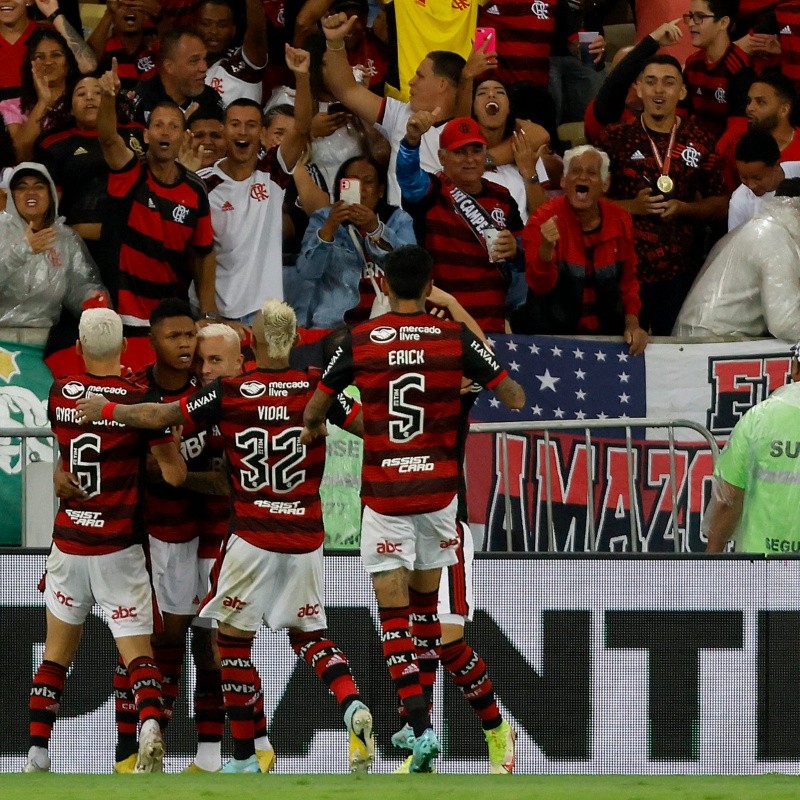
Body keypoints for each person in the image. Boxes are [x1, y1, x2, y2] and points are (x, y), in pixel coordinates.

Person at [77, 298, 376, 775]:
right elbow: (374, 429)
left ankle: (240, 759)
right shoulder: (317, 390)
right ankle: (352, 705)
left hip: (251, 535)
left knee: (230, 645)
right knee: (311, 635)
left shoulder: (233, 392)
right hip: (305, 537)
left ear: (251, 345)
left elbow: (160, 416)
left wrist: (107, 408)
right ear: (298, 341)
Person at [301, 245, 526, 772]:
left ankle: (484, 729)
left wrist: (322, 424)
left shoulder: (361, 343)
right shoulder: (455, 344)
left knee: (416, 629)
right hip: (441, 501)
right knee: (423, 627)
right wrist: (472, 374)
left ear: (382, 287)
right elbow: (514, 394)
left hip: (387, 498)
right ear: (430, 288)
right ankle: (420, 733)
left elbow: (316, 408)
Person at [24, 307, 186, 774]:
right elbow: (174, 474)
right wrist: (165, 439)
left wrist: (62, 473)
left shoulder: (60, 392)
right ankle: (151, 728)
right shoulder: (139, 399)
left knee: (56, 652)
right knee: (138, 653)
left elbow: (69, 449)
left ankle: (37, 752)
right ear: (124, 349)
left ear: (77, 348)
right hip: (120, 545)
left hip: (71, 542)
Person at [596, 54, 728, 334]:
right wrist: (631, 206)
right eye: (651, 82)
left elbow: (720, 204)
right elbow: (587, 203)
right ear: (639, 88)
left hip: (681, 274)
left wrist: (684, 209)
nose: (659, 90)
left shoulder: (701, 139)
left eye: (669, 83)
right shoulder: (614, 137)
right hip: (624, 271)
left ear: (681, 91)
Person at [97, 59, 215, 367]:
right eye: (158, 125)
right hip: (121, 314)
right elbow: (109, 138)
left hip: (168, 317)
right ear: (147, 135)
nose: (165, 132)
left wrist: (208, 315)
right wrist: (109, 97)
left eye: (174, 126)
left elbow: (204, 253)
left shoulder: (195, 190)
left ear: (183, 137)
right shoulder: (129, 172)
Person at [193, 48, 311, 324]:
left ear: (261, 133)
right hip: (218, 314)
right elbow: (198, 254)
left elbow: (303, 128)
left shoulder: (273, 171)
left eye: (250, 125)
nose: (242, 132)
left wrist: (302, 77)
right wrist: (209, 314)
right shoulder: (203, 182)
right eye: (235, 124)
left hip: (265, 314)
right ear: (224, 131)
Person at [396, 114, 525, 334]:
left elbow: (524, 258)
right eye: (459, 152)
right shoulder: (431, 190)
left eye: (476, 150)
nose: (470, 159)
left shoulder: (503, 197)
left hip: (491, 324)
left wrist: (515, 252)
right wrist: (411, 141)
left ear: (485, 154)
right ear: (442, 157)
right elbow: (408, 177)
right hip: (442, 322)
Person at [322, 11, 467, 204]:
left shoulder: (468, 133)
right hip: (398, 231)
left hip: (442, 231)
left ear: (442, 84)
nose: (411, 81)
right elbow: (346, 90)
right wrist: (335, 43)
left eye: (420, 75)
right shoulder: (400, 113)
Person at [513, 145, 647, 353]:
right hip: (554, 340)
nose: (582, 177)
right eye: (575, 171)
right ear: (564, 181)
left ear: (605, 184)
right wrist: (546, 250)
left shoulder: (620, 219)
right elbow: (539, 287)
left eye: (591, 172)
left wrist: (633, 324)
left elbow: (628, 281)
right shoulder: (542, 220)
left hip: (609, 338)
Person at [296, 155, 416, 328]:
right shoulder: (323, 219)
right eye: (352, 183)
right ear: (341, 187)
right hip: (334, 327)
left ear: (381, 190)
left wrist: (375, 229)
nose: (360, 190)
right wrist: (329, 229)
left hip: (390, 324)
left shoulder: (399, 220)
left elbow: (411, 271)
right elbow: (306, 271)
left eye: (368, 182)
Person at [703, 340, 800, 554]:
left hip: (760, 567)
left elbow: (728, 499)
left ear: (795, 368)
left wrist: (710, 563)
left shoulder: (759, 419)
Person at [673, 181, 800, 341]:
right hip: (712, 340)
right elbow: (785, 322)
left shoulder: (761, 227)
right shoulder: (776, 242)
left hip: (703, 335)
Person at [0, 162, 106, 328]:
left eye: (39, 186)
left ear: (51, 195)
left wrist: (92, 300)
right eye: (22, 187)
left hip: (45, 338)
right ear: (12, 196)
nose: (31, 193)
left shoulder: (66, 238)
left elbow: (80, 284)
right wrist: (22, 251)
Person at [682, 0, 755, 140]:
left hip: (727, 152)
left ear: (723, 22)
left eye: (700, 17)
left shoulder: (740, 68)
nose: (691, 24)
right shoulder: (692, 63)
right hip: (695, 147)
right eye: (690, 16)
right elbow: (680, 116)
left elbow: (737, 130)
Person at [130, 28, 223, 125]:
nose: (204, 67)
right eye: (194, 61)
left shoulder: (211, 100)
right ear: (169, 66)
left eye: (204, 59)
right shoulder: (142, 100)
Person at [727, 128, 800, 230]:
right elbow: (737, 244)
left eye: (757, 178)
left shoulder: (798, 171)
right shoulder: (739, 202)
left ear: (776, 165)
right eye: (743, 177)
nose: (751, 185)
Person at [198, 0, 268, 105]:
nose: (214, 31)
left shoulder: (244, 63)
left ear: (233, 30)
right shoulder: (183, 63)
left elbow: (256, 37)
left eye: (222, 25)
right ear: (194, 26)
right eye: (206, 24)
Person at [89, 0, 159, 92]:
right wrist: (109, 13)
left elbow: (175, 49)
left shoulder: (153, 43)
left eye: (135, 4)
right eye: (121, 5)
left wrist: (159, 14)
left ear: (146, 16)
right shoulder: (105, 46)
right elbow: (88, 62)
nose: (129, 9)